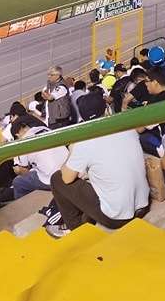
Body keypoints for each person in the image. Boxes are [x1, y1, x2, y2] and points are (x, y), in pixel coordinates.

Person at [45, 94, 150, 238]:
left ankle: (75, 227)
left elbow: (67, 178)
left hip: (117, 218)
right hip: (143, 204)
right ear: (106, 109)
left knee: (57, 179)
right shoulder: (124, 125)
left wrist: (72, 150)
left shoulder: (85, 142)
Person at [10, 116, 69, 198]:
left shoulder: (22, 141)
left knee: (18, 182)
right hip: (70, 168)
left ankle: (27, 209)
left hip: (53, 179)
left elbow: (22, 170)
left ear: (17, 134)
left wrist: (17, 169)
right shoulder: (43, 128)